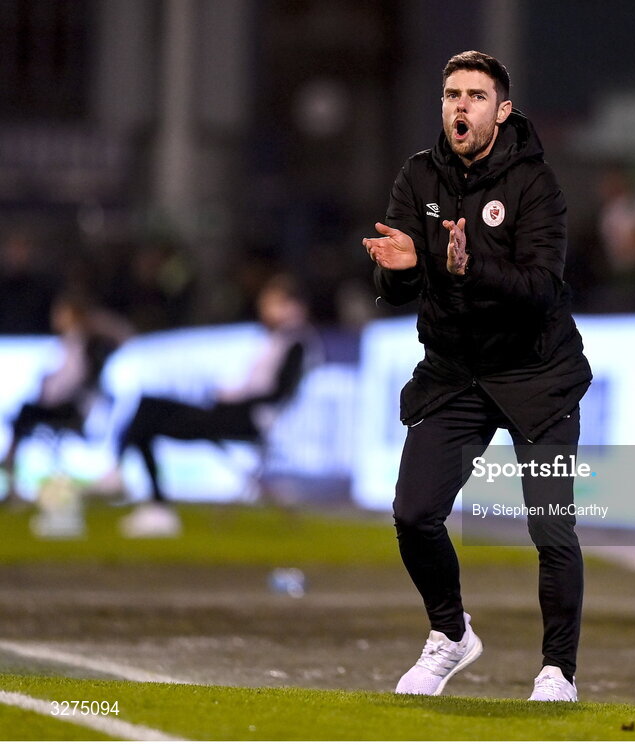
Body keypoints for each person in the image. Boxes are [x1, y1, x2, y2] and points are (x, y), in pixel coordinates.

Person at [363, 50, 592, 701]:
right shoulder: (417, 177)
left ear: (502, 110)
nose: (460, 106)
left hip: (536, 377)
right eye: (451, 95)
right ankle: (450, 633)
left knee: (551, 526)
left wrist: (465, 266)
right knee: (414, 513)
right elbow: (394, 284)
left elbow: (542, 289)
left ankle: (558, 670)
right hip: (455, 374)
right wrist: (405, 267)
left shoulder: (536, 185)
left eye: (475, 96)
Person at [99, 274, 318, 537]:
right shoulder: (277, 339)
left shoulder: (297, 343)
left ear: (293, 306)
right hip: (232, 412)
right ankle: (132, 484)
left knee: (147, 416)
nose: (265, 309)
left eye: (272, 303)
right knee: (148, 407)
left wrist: (232, 397)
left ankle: (147, 498)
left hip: (244, 419)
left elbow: (274, 395)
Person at [1, 293, 126, 505]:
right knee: (23, 414)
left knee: (25, 413)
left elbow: (71, 381)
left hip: (68, 409)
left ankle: (10, 465)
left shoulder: (79, 342)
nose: (56, 317)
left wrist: (47, 392)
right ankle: (10, 467)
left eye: (61, 312)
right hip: (64, 407)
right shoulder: (71, 342)